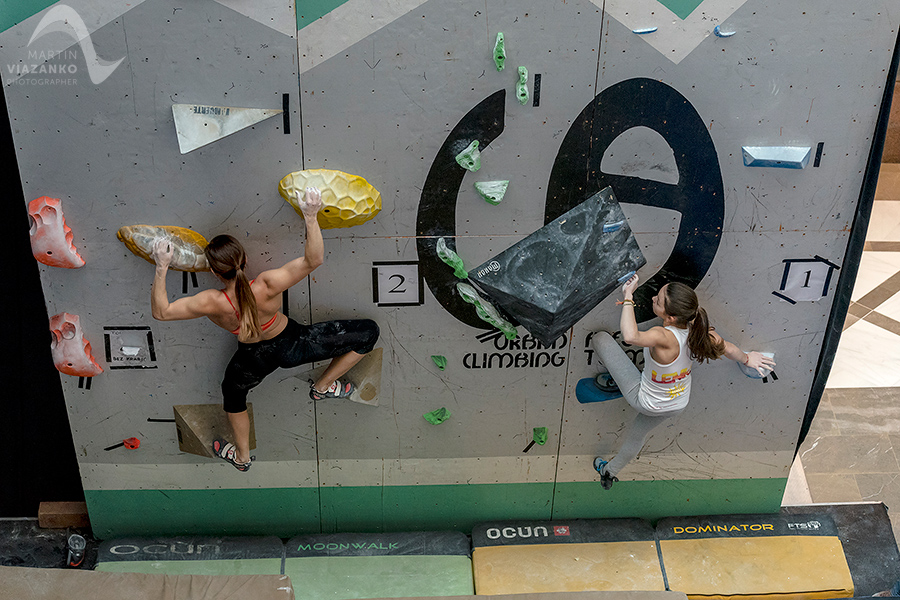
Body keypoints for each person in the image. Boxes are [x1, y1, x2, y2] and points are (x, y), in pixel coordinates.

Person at [150, 187, 379, 471]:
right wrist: (310, 215)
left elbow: (162, 312)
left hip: (252, 357)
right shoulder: (267, 285)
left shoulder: (211, 302)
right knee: (369, 332)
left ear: (213, 273)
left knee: (233, 394)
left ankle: (243, 458)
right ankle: (322, 387)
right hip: (291, 344)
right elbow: (314, 260)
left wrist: (162, 266)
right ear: (244, 261)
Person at [591, 273, 775, 489]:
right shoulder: (701, 331)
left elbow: (630, 337)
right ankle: (608, 472)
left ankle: (619, 385)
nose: (652, 299)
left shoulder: (664, 336)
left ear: (669, 318)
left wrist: (628, 296)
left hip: (644, 399)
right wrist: (747, 359)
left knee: (600, 339)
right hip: (675, 405)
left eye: (657, 301)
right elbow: (730, 349)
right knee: (637, 435)